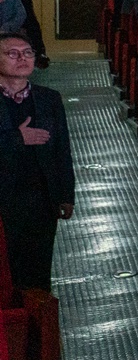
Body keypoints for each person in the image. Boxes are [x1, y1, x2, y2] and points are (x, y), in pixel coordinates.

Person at [0, 32, 74, 293]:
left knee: (39, 271)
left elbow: (62, 148)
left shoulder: (48, 98)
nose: (22, 58)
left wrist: (66, 194)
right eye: (12, 53)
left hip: (41, 197)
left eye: (28, 53)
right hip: (4, 197)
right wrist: (16, 138)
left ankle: (38, 329)